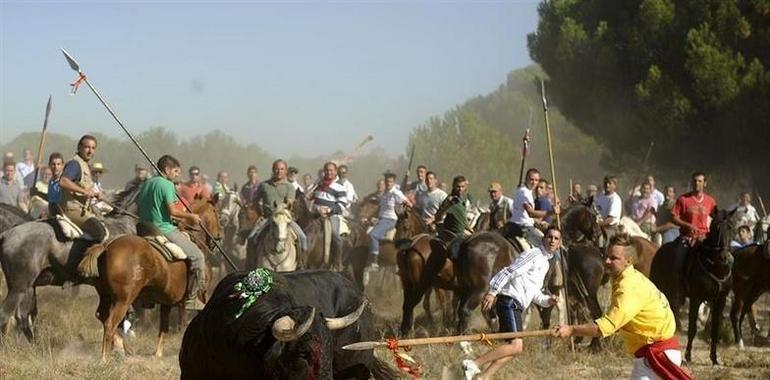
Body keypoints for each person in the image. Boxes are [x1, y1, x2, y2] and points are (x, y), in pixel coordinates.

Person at [552, 233, 691, 380]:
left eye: (613, 258)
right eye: (606, 256)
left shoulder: (628, 288)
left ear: (628, 260)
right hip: (652, 353)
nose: (606, 261)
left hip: (658, 355)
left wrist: (571, 329)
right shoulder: (627, 278)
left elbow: (605, 327)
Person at [462, 227, 561, 380]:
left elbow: (535, 294)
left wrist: (549, 300)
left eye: (556, 238)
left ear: (559, 243)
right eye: (549, 237)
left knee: (515, 349)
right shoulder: (533, 254)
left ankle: (484, 377)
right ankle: (473, 363)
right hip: (509, 302)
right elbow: (510, 271)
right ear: (543, 239)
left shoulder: (546, 264)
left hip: (517, 306)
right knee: (515, 345)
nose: (552, 240)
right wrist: (492, 292)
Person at [137, 155, 207, 310]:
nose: (177, 175)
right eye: (175, 171)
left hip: (143, 229)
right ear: (167, 169)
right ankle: (191, 299)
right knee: (198, 257)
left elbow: (141, 206)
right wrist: (191, 216)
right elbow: (173, 210)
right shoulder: (167, 184)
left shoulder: (147, 183)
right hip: (163, 230)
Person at [56, 135, 107, 241]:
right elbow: (63, 181)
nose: (90, 151)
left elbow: (82, 186)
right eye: (87, 147)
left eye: (93, 148)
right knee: (100, 232)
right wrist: (84, 191)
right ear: (79, 147)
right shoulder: (75, 164)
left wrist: (96, 194)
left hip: (82, 208)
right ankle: (85, 258)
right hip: (72, 210)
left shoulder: (84, 164)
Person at [249, 160, 307, 251]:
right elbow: (255, 201)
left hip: (284, 219)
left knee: (303, 238)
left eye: (282, 169)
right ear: (273, 170)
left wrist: (287, 205)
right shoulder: (264, 185)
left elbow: (290, 202)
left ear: (286, 171)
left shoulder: (289, 187)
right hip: (268, 218)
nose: (279, 171)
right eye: (277, 169)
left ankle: (301, 263)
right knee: (251, 238)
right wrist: (260, 214)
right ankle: (251, 263)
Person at [670, 172, 717, 276]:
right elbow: (674, 217)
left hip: (705, 238)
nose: (697, 183)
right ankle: (677, 285)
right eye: (695, 181)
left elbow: (715, 220)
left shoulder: (711, 201)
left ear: (705, 183)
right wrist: (688, 225)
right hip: (687, 238)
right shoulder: (683, 199)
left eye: (700, 181)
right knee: (678, 260)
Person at [368, 172, 412, 269]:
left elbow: (408, 203)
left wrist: (404, 208)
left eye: (390, 182)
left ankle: (374, 261)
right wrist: (371, 218)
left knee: (373, 235)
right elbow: (380, 209)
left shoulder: (396, 192)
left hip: (390, 220)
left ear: (394, 182)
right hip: (380, 219)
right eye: (387, 181)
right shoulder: (384, 193)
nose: (388, 183)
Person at [505, 168, 557, 249]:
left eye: (536, 180)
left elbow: (525, 215)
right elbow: (531, 213)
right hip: (524, 228)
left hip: (523, 224)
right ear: (526, 179)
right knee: (547, 247)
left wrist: (537, 221)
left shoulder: (526, 191)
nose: (534, 182)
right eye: (531, 179)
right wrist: (551, 212)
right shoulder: (524, 192)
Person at [311, 162, 349, 254]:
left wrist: (329, 210)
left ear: (335, 172)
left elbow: (342, 204)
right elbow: (313, 196)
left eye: (331, 170)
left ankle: (337, 261)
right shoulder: (319, 184)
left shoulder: (340, 186)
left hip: (331, 215)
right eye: (327, 170)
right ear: (324, 171)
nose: (329, 172)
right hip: (316, 213)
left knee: (335, 235)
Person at [434, 176, 472, 244]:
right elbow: (437, 218)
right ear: (453, 186)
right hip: (451, 235)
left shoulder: (465, 199)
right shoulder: (450, 200)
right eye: (458, 186)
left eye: (462, 187)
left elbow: (463, 217)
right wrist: (447, 206)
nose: (460, 189)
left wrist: (470, 229)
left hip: (462, 232)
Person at [595, 175, 623, 244]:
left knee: (601, 241)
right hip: (599, 226)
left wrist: (597, 224)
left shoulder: (615, 199)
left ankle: (603, 253)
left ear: (614, 185)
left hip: (610, 228)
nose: (607, 185)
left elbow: (610, 219)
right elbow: (596, 210)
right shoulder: (600, 197)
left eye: (609, 183)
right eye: (605, 183)